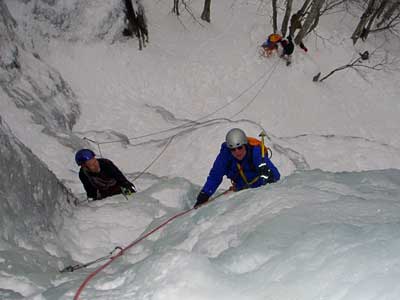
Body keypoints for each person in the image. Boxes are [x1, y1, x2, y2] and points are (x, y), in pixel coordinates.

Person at [194, 128, 280, 208]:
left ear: (245, 145)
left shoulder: (256, 153)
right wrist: (204, 195)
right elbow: (215, 176)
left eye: (239, 148)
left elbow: (276, 176)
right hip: (241, 190)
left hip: (259, 190)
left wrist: (269, 175)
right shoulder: (225, 156)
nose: (237, 152)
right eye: (233, 149)